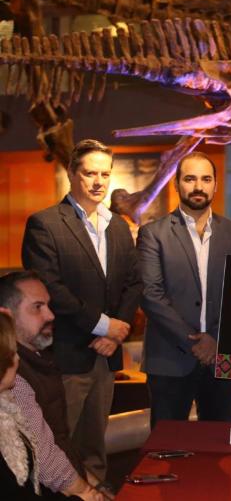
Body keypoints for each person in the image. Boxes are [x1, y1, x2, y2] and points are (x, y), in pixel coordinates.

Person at [21, 139, 141, 480]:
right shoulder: (45, 223)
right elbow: (50, 288)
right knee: (57, 449)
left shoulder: (118, 226)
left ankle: (95, 495)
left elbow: (134, 282)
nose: (99, 181)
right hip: (65, 357)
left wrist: (116, 331)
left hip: (105, 358)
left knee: (95, 451)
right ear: (72, 173)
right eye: (90, 173)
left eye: (105, 174)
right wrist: (104, 326)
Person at [138, 152, 231, 428]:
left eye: (206, 179)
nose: (198, 186)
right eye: (190, 179)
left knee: (218, 445)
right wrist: (196, 343)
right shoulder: (153, 233)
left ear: (215, 185)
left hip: (222, 358)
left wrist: (215, 339)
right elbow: (151, 295)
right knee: (167, 446)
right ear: (176, 184)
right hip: (169, 359)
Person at [0, 312, 102, 500]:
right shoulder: (14, 394)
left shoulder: (6, 404)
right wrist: (81, 496)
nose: (18, 359)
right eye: (12, 352)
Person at [0, 271, 86, 478]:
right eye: (37, 307)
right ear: (7, 314)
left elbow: (61, 443)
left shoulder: (41, 358)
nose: (50, 315)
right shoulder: (12, 375)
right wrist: (88, 491)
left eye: (48, 305)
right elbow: (45, 460)